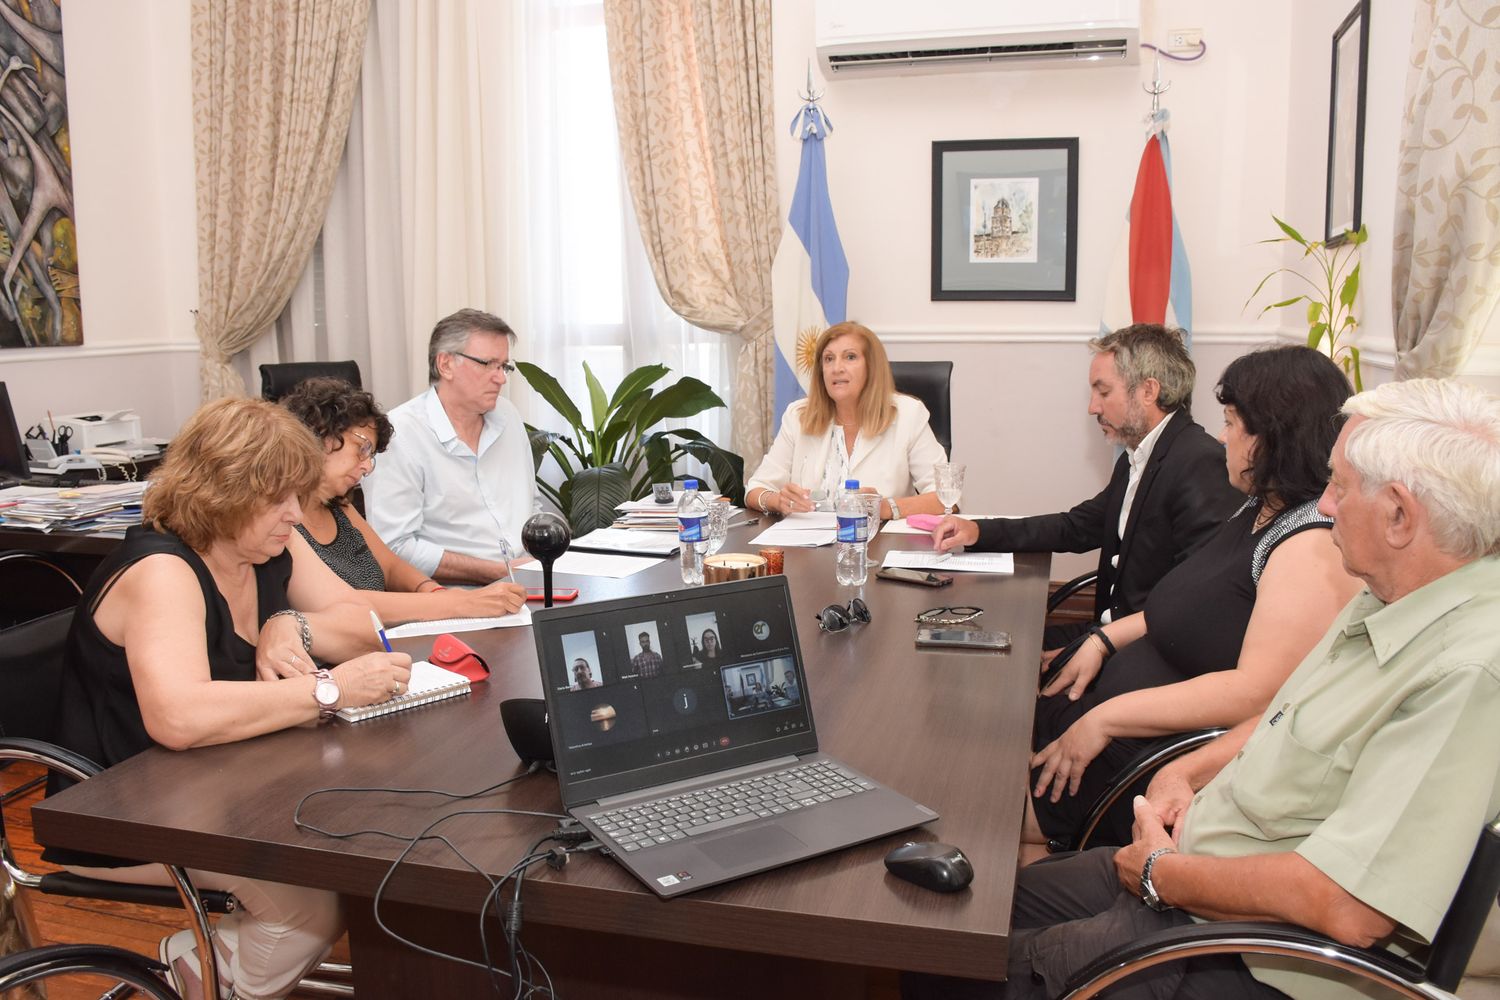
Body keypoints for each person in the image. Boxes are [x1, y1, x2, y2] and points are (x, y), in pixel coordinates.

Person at [904, 377, 1500, 1000]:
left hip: (1241, 946)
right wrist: (1184, 774)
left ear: (1400, 515)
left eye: (1339, 488)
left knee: (952, 971)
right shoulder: (1389, 593)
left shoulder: (1465, 674)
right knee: (953, 914)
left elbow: (1351, 908)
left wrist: (1167, 875)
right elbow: (1283, 714)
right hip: (1192, 863)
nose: (1322, 507)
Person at [44, 397, 412, 1000]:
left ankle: (209, 960)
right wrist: (327, 689)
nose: (297, 515)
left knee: (365, 858)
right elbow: (179, 718)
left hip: (223, 785)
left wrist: (291, 624)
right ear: (226, 493)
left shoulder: (263, 548)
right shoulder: (163, 570)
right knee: (313, 908)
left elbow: (359, 621)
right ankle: (206, 976)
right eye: (281, 500)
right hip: (122, 812)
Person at [1022, 346, 1363, 851]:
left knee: (966, 805)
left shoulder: (1309, 544)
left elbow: (1257, 694)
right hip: (1115, 719)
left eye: (1230, 423)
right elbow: (1188, 605)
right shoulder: (1259, 507)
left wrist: (1104, 718)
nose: (1221, 438)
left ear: (1273, 435)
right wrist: (1105, 639)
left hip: (1142, 758)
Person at [933, 324, 1242, 649]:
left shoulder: (1199, 462)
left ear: (1148, 392)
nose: (1093, 407)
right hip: (1106, 636)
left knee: (1001, 673)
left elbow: (1196, 599)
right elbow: (1076, 527)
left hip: (1145, 652)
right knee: (984, 648)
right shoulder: (1138, 455)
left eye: (1104, 392)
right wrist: (978, 531)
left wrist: (1097, 650)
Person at [279, 377, 527, 624]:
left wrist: (432, 590)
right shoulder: (283, 522)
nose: (367, 467)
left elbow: (392, 567)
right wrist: (457, 603)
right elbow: (345, 603)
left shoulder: (340, 507)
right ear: (321, 432)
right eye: (362, 448)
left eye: (371, 456)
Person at [363, 308, 541, 584]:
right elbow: (394, 547)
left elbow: (531, 506)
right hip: (455, 597)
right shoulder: (400, 434)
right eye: (488, 364)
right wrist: (498, 572)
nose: (501, 378)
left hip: (530, 580)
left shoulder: (508, 416)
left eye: (504, 366)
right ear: (445, 364)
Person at [746, 321, 947, 520]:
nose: (836, 368)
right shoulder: (798, 415)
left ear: (872, 367)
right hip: (807, 547)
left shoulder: (908, 414)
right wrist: (777, 500)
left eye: (850, 357)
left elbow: (947, 497)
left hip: (880, 544)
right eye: (828, 359)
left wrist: (886, 507)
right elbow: (756, 489)